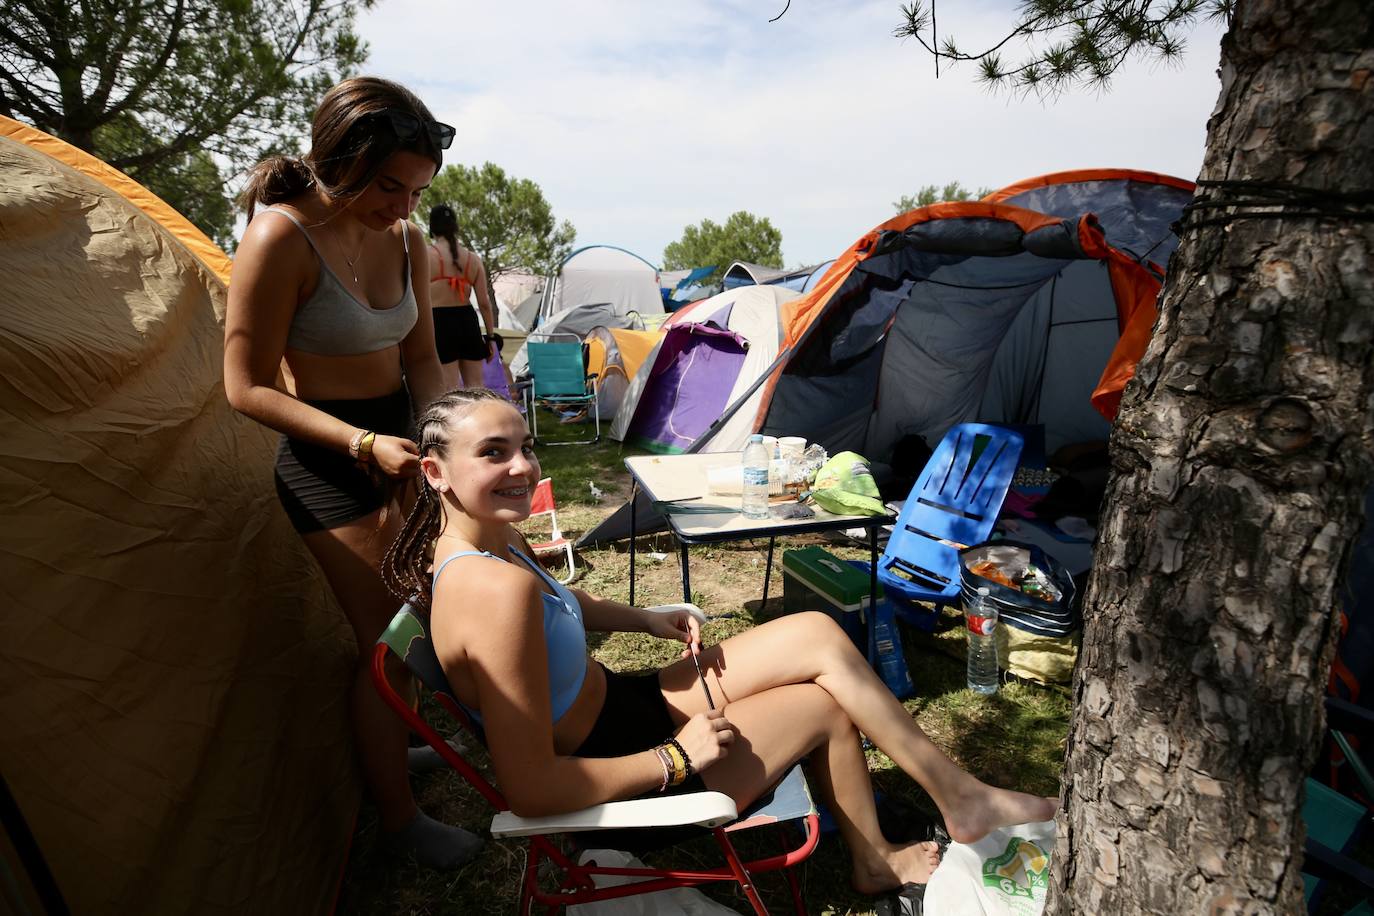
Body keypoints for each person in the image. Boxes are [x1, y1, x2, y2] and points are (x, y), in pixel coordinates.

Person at [381, 388, 1058, 895]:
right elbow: (531, 788)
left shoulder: (486, 540)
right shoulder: (492, 596)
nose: (523, 467)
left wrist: (643, 619)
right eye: (493, 453)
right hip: (616, 772)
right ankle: (877, 858)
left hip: (626, 704)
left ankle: (958, 796)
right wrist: (676, 758)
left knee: (820, 635)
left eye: (525, 446)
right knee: (823, 705)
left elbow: (568, 602)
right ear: (435, 472)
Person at [224, 76, 482, 868]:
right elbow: (246, 387)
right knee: (391, 640)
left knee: (420, 613)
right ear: (338, 161)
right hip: (325, 465)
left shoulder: (405, 239)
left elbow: (425, 361)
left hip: (402, 448)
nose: (403, 208)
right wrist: (363, 447)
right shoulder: (278, 238)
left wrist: (437, 440)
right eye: (387, 186)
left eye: (416, 191)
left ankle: (392, 748)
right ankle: (400, 826)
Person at [426, 203, 498, 391]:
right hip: (467, 323)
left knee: (448, 391)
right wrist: (490, 338)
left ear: (432, 227)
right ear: (455, 226)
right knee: (476, 389)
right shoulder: (473, 259)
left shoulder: (427, 255)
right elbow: (484, 303)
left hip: (439, 323)